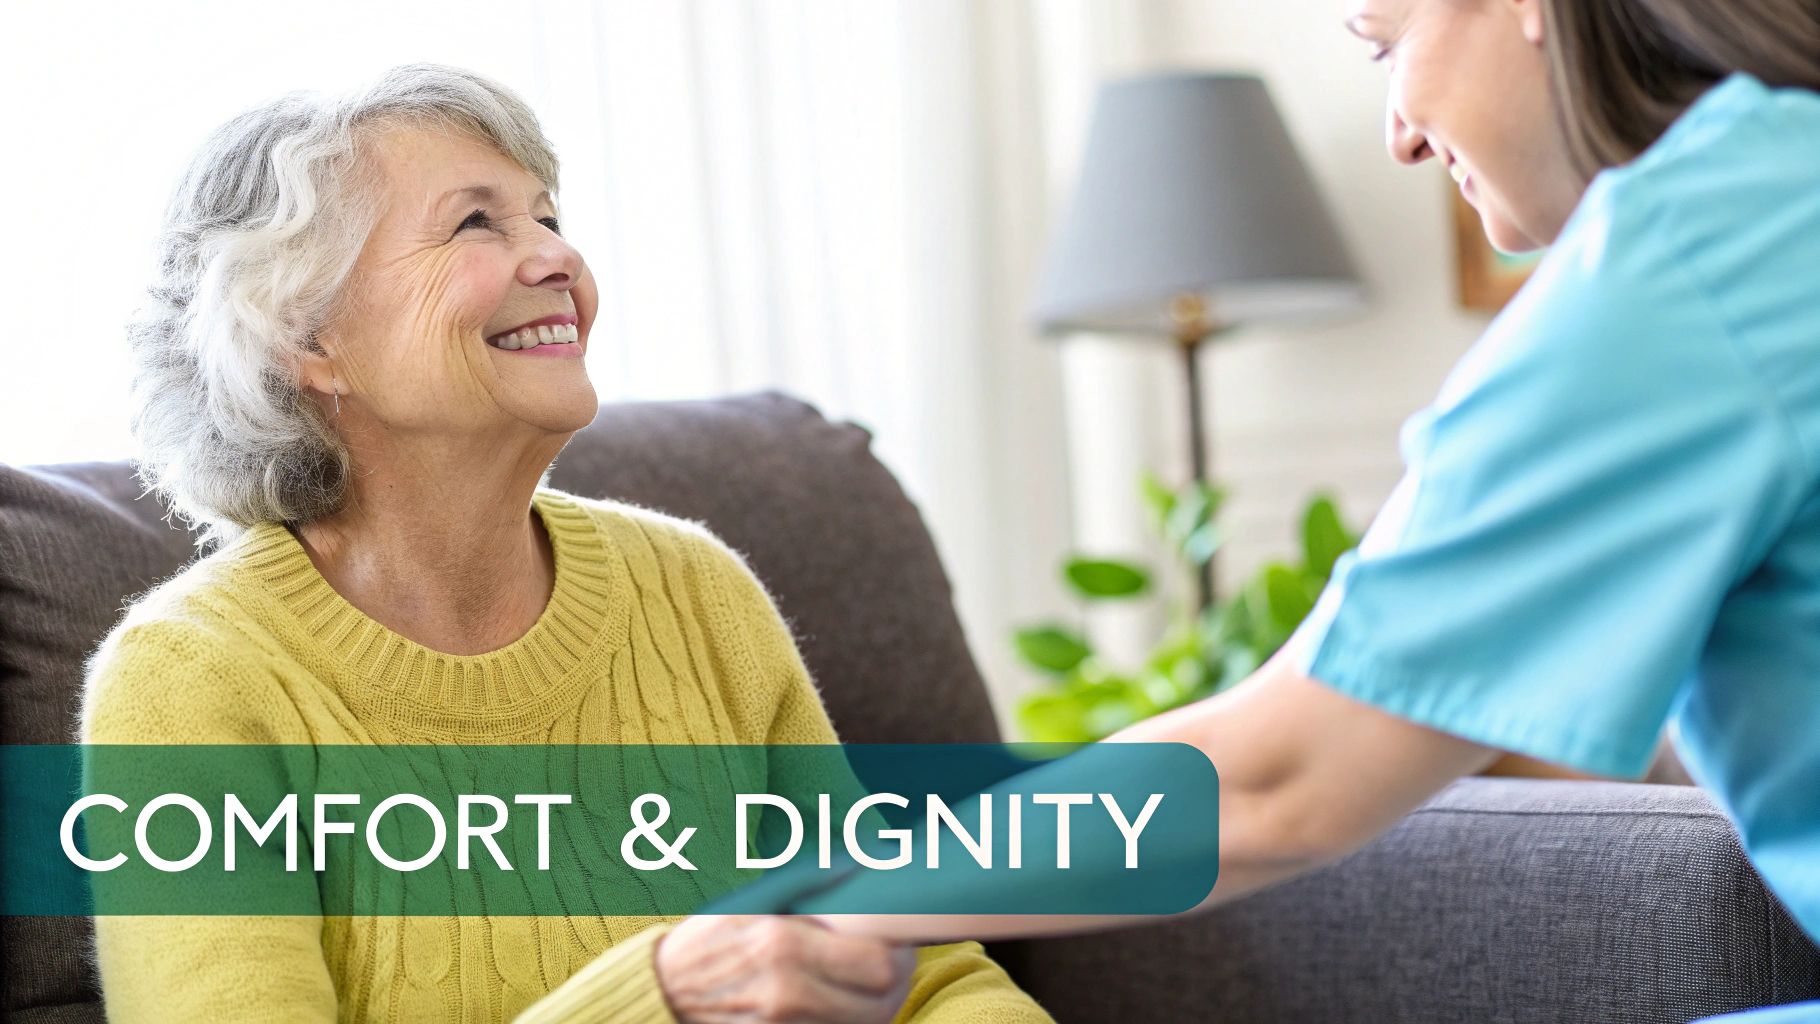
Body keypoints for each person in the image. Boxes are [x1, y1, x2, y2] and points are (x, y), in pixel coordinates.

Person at [819, 1, 1820, 1020]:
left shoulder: (1692, 258)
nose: (1399, 133)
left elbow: (1277, 775)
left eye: (1386, 45)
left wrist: (841, 903)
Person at [80, 63, 1050, 1024]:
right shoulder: (192, 680)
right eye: (475, 223)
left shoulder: (691, 588)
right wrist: (659, 995)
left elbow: (920, 971)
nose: (555, 258)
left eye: (546, 217)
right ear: (306, 336)